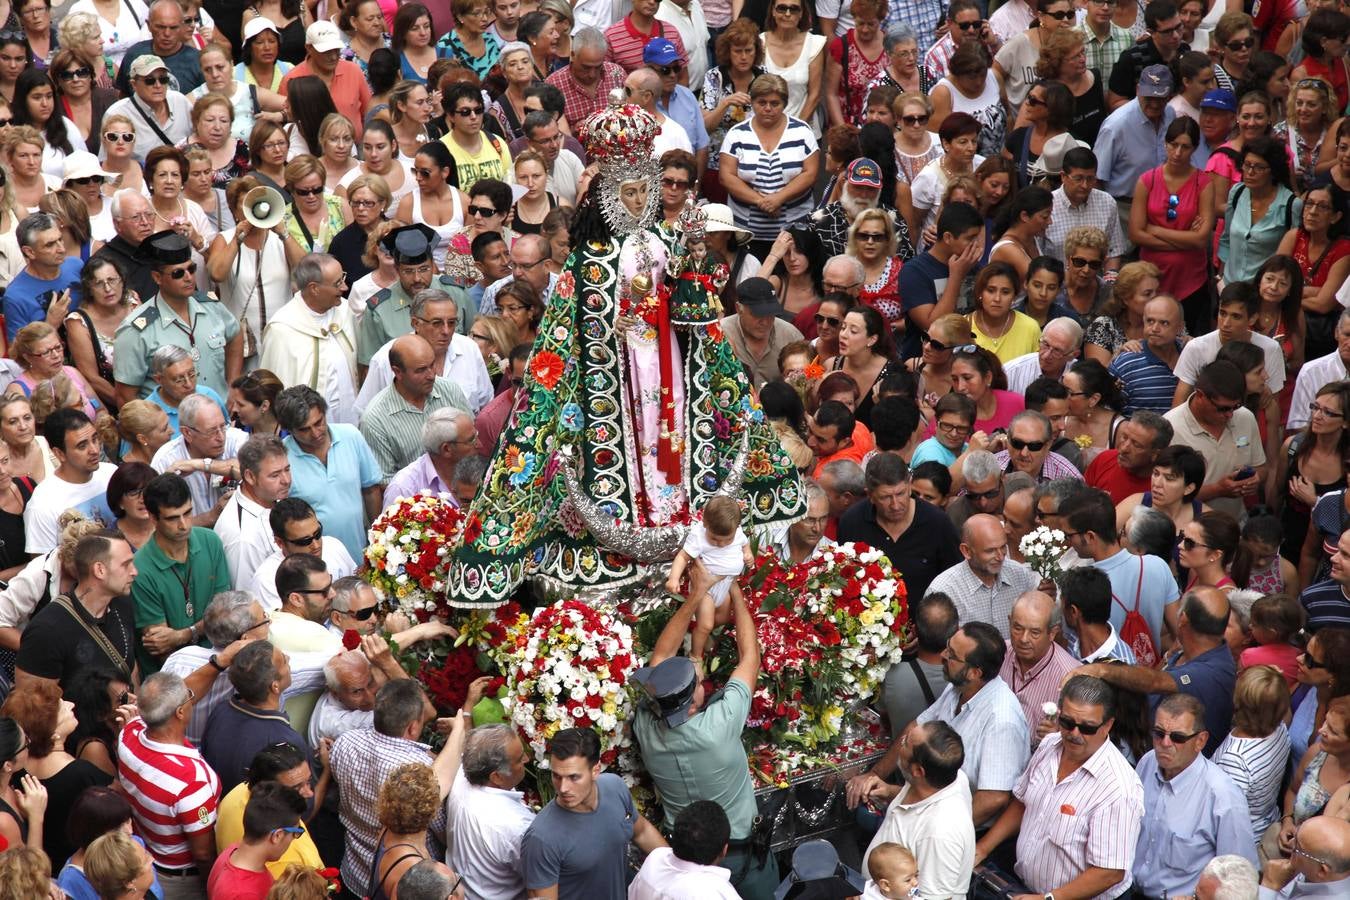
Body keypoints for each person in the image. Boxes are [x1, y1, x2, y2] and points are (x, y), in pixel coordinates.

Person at [632, 559, 774, 896]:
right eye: (699, 682)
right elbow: (749, 655)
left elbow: (660, 662)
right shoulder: (719, 726)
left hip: (681, 864)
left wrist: (697, 595)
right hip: (741, 858)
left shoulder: (647, 728)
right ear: (695, 700)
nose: (703, 679)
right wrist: (734, 589)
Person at [973, 675, 1145, 899]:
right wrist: (982, 849)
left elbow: (1110, 872)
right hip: (1024, 887)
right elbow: (1023, 803)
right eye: (1067, 723)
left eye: (1087, 728)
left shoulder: (1119, 789)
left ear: (1108, 725)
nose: (1074, 734)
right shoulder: (1049, 745)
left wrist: (1051, 898)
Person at [329, 679, 468, 894]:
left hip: (355, 872)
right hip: (408, 882)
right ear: (413, 727)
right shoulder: (418, 771)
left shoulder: (345, 742)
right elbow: (445, 833)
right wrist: (460, 729)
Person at [1131, 693, 1258, 895]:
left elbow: (1239, 878)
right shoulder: (1147, 763)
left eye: (1177, 737)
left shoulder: (1223, 797)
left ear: (1200, 741)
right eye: (1158, 733)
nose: (1165, 743)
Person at [520, 727, 666, 899]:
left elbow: (642, 832)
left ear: (596, 770)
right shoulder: (541, 839)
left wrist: (679, 871)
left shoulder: (615, 787)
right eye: (557, 776)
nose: (563, 788)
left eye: (574, 777)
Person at [117, 671, 220, 895]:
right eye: (189, 696)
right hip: (180, 879)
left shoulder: (127, 734)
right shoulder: (193, 782)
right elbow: (203, 853)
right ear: (180, 712)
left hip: (148, 856)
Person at [113, 231, 242, 405]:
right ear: (157, 277)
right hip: (172, 427)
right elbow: (125, 396)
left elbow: (235, 335)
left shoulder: (211, 306)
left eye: (191, 269)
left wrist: (232, 386)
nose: (188, 277)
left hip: (218, 417)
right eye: (177, 273)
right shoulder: (136, 329)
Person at [849, 720, 974, 897]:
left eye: (906, 743)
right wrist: (890, 791)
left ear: (917, 771)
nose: (901, 742)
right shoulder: (948, 777)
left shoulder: (940, 833)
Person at [0, 678, 112, 865]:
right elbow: (28, 875)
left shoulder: (14, 774)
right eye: (62, 708)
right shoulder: (81, 773)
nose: (71, 704)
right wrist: (36, 816)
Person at [131, 472, 231, 674]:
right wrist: (200, 631)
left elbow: (224, 615)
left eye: (187, 513)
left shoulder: (210, 541)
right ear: (152, 517)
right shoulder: (140, 569)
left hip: (220, 661)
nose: (184, 524)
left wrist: (183, 634)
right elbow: (160, 648)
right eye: (172, 518)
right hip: (171, 677)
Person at [718, 73, 819, 253]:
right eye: (762, 102)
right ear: (753, 102)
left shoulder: (802, 131)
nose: (768, 108)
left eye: (775, 103)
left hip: (795, 231)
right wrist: (762, 201)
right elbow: (726, 176)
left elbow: (810, 173)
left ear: (784, 104)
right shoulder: (737, 134)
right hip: (746, 231)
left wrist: (779, 198)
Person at [838, 453, 962, 599]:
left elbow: (956, 579)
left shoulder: (938, 523)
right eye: (885, 497)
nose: (896, 505)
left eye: (901, 493)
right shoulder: (852, 522)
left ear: (909, 485)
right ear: (870, 495)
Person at [358, 290, 491, 415]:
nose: (446, 331)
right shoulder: (385, 358)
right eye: (437, 323)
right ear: (415, 323)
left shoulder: (469, 349)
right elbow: (364, 413)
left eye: (451, 323)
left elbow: (486, 404)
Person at [1165, 359, 1267, 521]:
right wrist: (1217, 490)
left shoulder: (1245, 418)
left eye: (1236, 406)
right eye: (1223, 408)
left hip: (1235, 524)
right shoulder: (1171, 428)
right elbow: (1166, 494)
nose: (1230, 414)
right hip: (1188, 530)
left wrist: (1255, 480)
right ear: (1200, 395)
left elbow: (1260, 467)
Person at [1213, 664, 1293, 844]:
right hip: (1268, 820)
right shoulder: (1279, 729)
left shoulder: (1235, 759)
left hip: (1246, 840)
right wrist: (1275, 685)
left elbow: (1225, 816)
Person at [926, 513, 1039, 638]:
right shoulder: (945, 590)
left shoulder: (1020, 575)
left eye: (1003, 547)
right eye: (990, 551)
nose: (1000, 557)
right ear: (966, 551)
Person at [897, 202, 983, 359]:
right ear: (948, 237)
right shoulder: (914, 271)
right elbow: (932, 326)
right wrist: (956, 276)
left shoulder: (973, 267)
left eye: (976, 237)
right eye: (969, 238)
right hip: (924, 363)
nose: (975, 245)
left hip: (966, 360)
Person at [22, 409, 116, 554]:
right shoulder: (42, 505)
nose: (94, 450)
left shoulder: (111, 473)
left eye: (95, 439)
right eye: (82, 446)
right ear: (59, 453)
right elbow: (44, 567)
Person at [999, 590, 1082, 748]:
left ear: (1052, 633)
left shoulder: (1070, 676)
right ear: (1010, 622)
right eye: (1017, 628)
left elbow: (1082, 742)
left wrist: (1059, 736)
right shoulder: (998, 653)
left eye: (1035, 632)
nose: (1023, 639)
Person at [244, 497, 357, 611]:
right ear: (280, 542)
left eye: (318, 534)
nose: (316, 546)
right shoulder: (267, 581)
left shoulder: (334, 546)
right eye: (304, 541)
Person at [1217, 137, 1302, 285]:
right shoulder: (1236, 192)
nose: (1250, 172)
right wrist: (1221, 280)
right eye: (1247, 165)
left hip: (1265, 290)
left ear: (1273, 171)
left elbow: (1293, 255)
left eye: (1259, 167)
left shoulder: (1291, 205)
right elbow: (1226, 239)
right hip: (1231, 285)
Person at [206, 780, 306, 899]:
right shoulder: (242, 894)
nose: (293, 839)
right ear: (277, 836)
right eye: (295, 833)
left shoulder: (234, 851)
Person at [2, 212, 85, 343]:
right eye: (50, 245)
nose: (61, 249)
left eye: (60, 239)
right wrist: (50, 324)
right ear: (29, 252)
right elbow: (17, 355)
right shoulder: (15, 297)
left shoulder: (76, 265)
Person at [1110, 295, 1186, 415]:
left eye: (1164, 323)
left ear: (1179, 327)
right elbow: (1106, 414)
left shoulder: (1191, 355)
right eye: (1150, 321)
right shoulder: (1125, 364)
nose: (1155, 328)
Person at [1084, 410, 1173, 503]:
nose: (1123, 449)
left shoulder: (1162, 490)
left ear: (1156, 454)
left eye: (1136, 445)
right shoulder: (1104, 459)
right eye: (1124, 437)